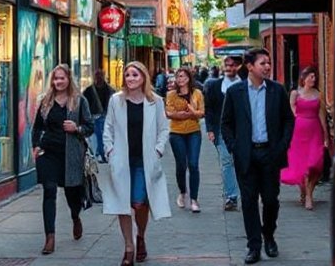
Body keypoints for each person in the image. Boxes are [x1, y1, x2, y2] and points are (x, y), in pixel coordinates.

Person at [221, 48, 294, 264]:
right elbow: (226, 123)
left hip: (270, 153)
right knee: (249, 201)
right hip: (246, 154)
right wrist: (234, 147)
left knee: (271, 200)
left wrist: (282, 146)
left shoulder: (277, 90)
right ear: (250, 66)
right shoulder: (235, 92)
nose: (267, 67)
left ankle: (268, 235)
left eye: (269, 62)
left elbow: (288, 120)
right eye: (263, 63)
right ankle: (254, 245)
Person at [102, 61, 171, 265]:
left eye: (135, 75)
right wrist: (109, 150)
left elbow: (164, 128)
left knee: (140, 203)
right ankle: (129, 247)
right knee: (122, 204)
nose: (130, 78)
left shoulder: (155, 101)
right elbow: (108, 127)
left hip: (145, 160)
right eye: (127, 75)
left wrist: (158, 149)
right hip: (121, 159)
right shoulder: (116, 100)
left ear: (143, 78)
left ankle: (140, 235)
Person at [31, 64, 94, 255]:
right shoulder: (46, 102)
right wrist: (36, 146)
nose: (58, 82)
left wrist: (76, 128)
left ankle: (75, 216)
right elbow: (37, 127)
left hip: (71, 155)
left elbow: (90, 127)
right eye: (55, 78)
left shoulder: (79, 101)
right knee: (49, 191)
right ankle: (50, 238)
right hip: (48, 154)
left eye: (62, 78)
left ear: (68, 79)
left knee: (72, 194)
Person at [280, 65, 328, 210]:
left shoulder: (318, 95)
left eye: (315, 77)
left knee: (315, 164)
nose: (313, 79)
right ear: (304, 78)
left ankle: (307, 191)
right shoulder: (296, 94)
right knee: (304, 166)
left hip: (315, 131)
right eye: (311, 76)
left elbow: (322, 116)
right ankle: (308, 196)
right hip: (299, 132)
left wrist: (326, 135)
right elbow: (291, 112)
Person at [204, 55, 243, 211]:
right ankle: (231, 196)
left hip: (242, 130)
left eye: (232, 65)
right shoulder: (215, 86)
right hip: (221, 129)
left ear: (238, 67)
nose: (229, 68)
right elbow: (209, 109)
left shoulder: (245, 85)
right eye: (226, 65)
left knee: (241, 162)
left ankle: (245, 192)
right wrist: (210, 129)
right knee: (227, 161)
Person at [165, 66, 205, 213]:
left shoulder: (197, 93)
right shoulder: (171, 94)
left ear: (189, 78)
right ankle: (182, 192)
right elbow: (169, 113)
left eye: (182, 76)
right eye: (178, 76)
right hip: (176, 133)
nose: (180, 79)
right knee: (181, 165)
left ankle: (194, 199)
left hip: (194, 132)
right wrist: (187, 114)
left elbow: (201, 112)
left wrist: (191, 113)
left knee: (193, 164)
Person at [83, 69, 115, 163]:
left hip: (105, 116)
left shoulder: (110, 90)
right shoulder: (89, 91)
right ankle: (100, 153)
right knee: (98, 136)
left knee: (102, 136)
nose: (98, 78)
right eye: (97, 76)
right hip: (94, 116)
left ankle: (101, 153)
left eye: (100, 76)